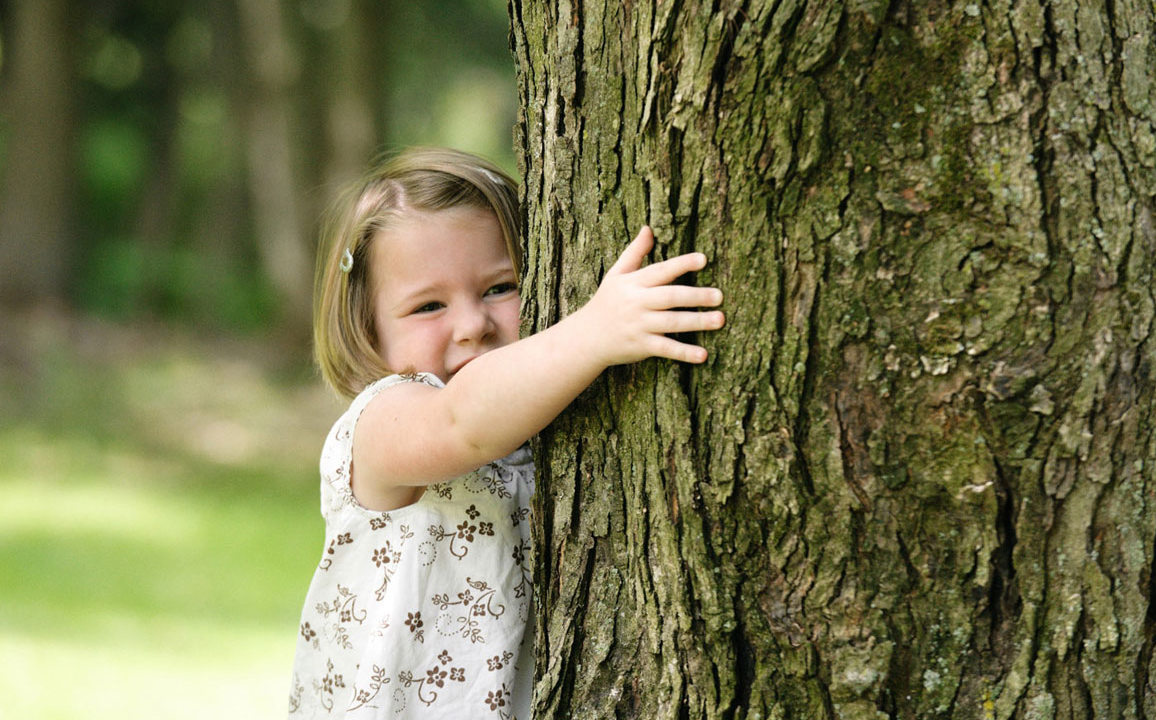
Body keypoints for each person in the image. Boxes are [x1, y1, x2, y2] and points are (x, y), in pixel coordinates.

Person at [287, 147, 725, 719]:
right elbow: (462, 425)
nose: (472, 325)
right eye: (428, 306)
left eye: (499, 288)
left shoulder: (541, 421)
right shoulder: (380, 424)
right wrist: (594, 333)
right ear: (367, 330)